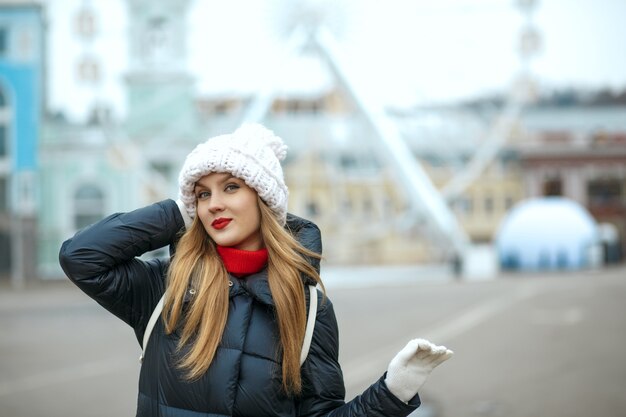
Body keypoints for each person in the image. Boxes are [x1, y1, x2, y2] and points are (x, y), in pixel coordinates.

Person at [59, 123, 453, 417]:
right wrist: (179, 210)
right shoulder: (165, 286)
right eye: (203, 192)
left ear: (263, 197)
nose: (213, 203)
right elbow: (81, 257)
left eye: (231, 187)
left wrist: (392, 394)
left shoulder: (308, 306)